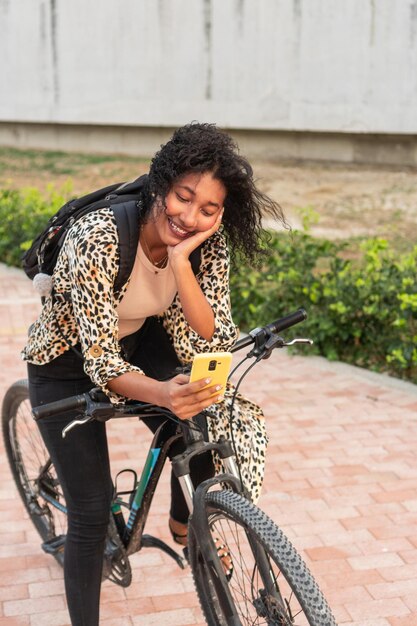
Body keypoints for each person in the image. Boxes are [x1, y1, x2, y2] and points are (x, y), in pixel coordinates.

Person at [22, 122, 287, 626]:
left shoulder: (205, 242)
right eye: (183, 198)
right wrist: (163, 392)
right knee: (91, 512)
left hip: (139, 340)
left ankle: (188, 524)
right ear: (161, 184)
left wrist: (183, 262)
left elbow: (212, 334)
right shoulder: (99, 236)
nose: (190, 217)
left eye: (208, 209)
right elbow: (100, 363)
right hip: (67, 361)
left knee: (201, 423)